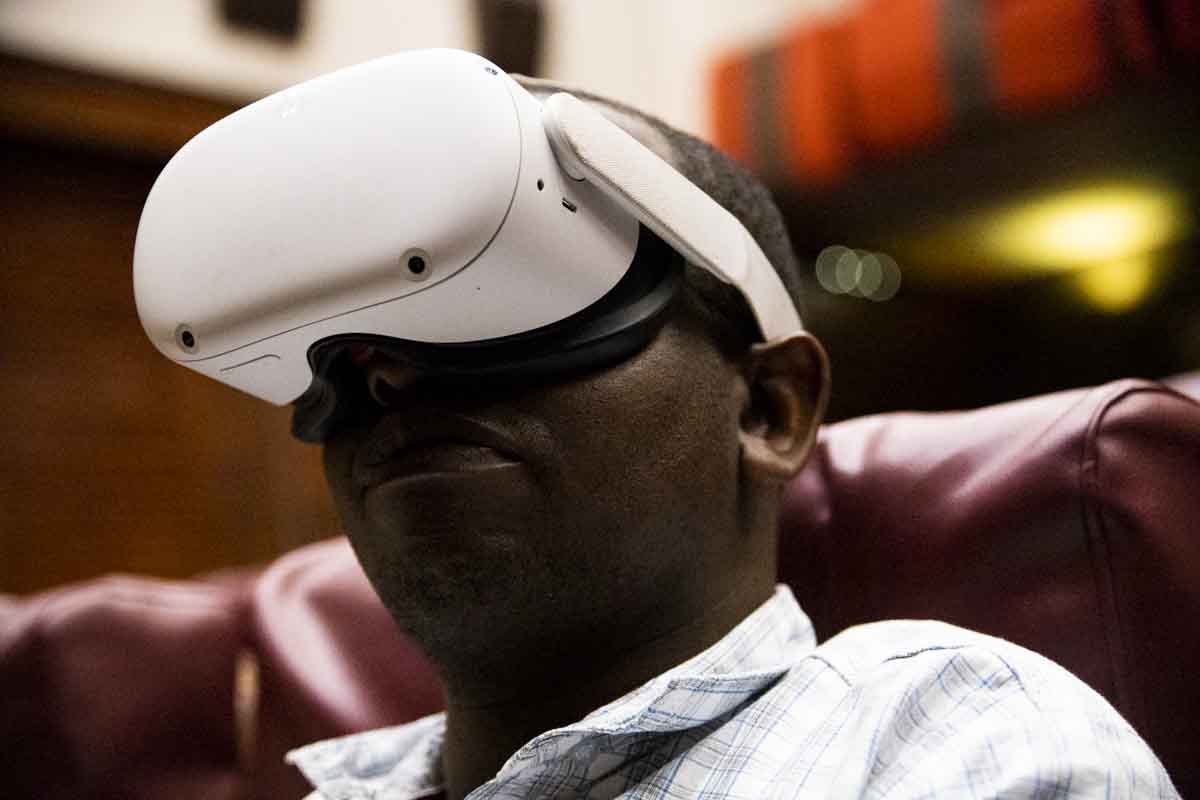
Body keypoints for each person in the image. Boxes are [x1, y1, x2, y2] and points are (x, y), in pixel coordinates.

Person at [284, 76, 1179, 799]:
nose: (391, 373)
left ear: (768, 410)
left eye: (521, 299)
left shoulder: (960, 746)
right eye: (356, 340)